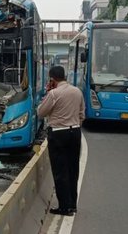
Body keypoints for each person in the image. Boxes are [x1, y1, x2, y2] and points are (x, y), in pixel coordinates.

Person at [38, 66, 85, 216]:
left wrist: (48, 92)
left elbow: (41, 113)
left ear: (52, 79)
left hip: (58, 134)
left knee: (60, 171)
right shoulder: (77, 91)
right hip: (75, 132)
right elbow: (82, 114)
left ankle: (64, 207)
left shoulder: (53, 94)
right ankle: (72, 204)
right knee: (73, 169)